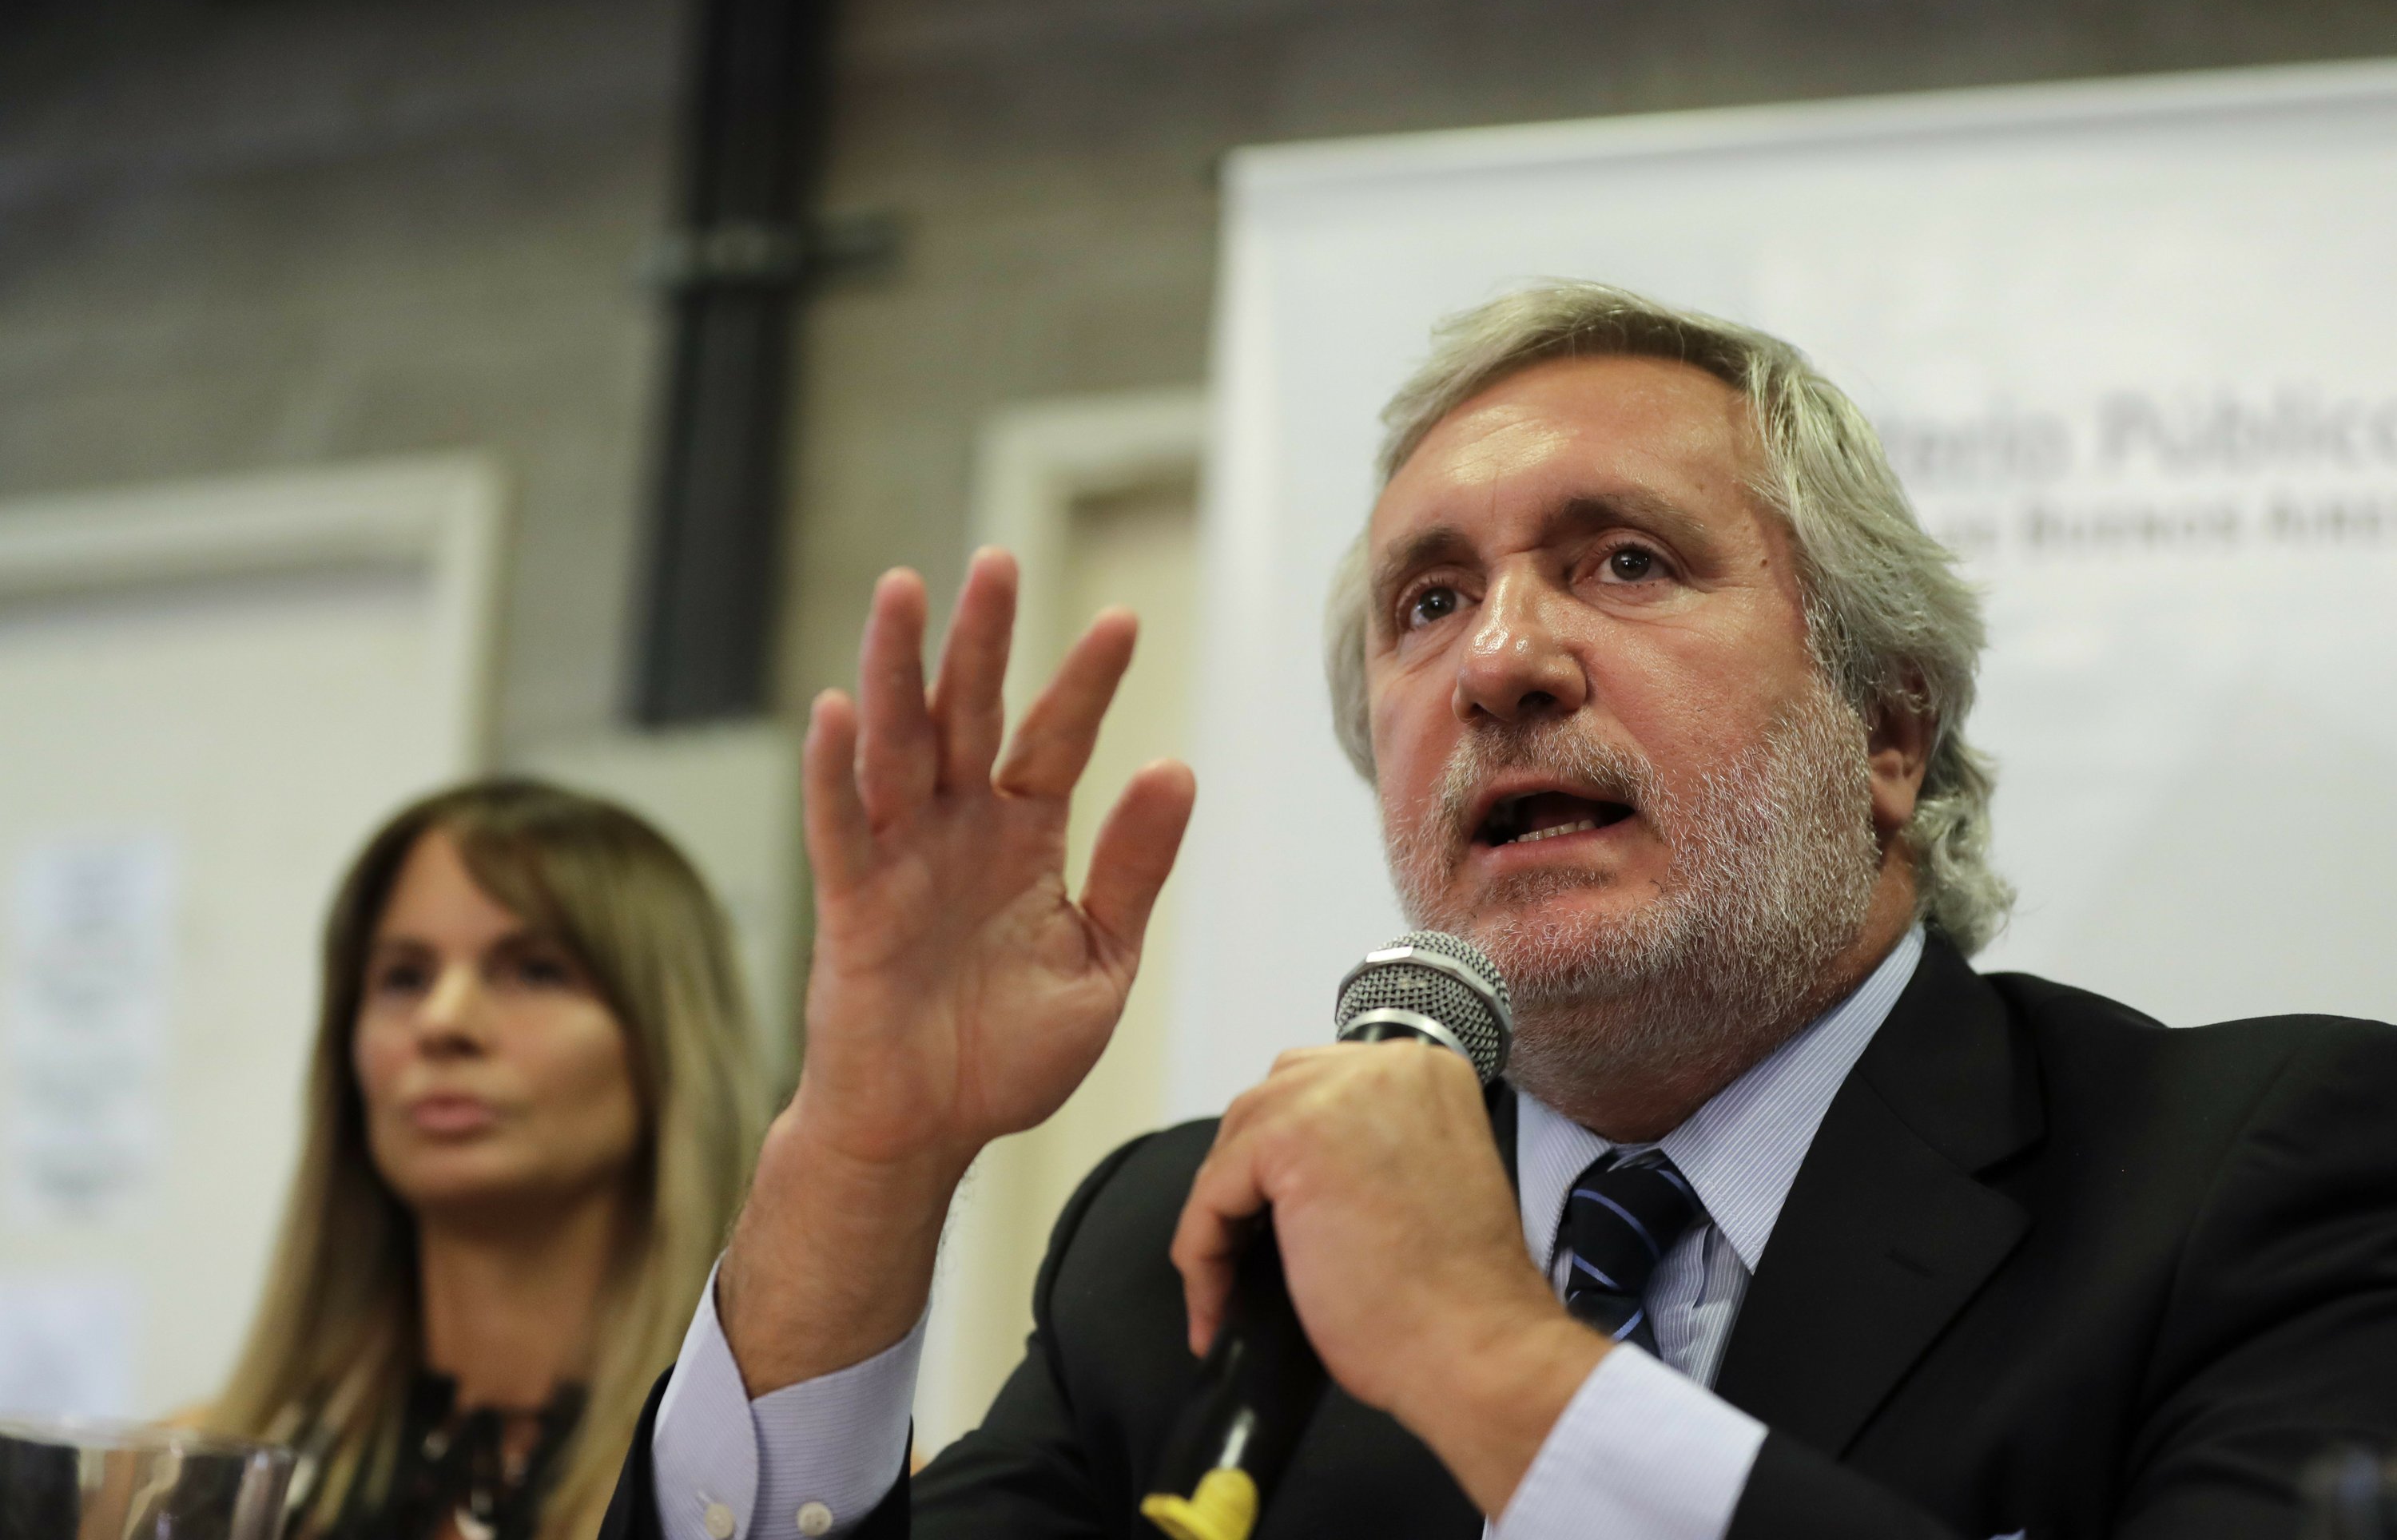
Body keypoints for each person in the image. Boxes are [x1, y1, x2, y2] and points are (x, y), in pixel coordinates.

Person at [606, 282, 2397, 1540]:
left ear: (1888, 727)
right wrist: (861, 1154)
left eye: (1627, 558)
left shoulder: (2261, 1174)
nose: (1504, 660)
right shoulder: (1193, 1251)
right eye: (1428, 600)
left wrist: (1484, 1355)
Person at [202, 779, 766, 1540]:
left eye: (536, 970)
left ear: (666, 1044)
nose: (441, 1022)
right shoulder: (190, 1486)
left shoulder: (821, 1507)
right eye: (404, 977)